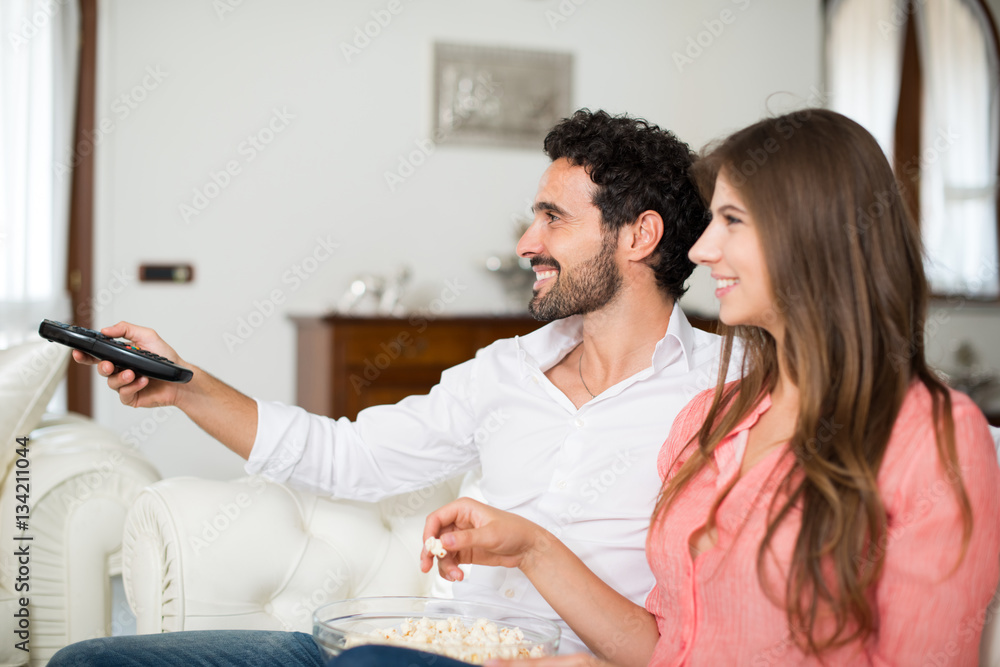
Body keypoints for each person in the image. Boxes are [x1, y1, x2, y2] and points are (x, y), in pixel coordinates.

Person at [50, 109, 730, 666]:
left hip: (555, 660)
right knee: (88, 662)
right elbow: (348, 457)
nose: (527, 242)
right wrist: (185, 386)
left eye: (553, 217)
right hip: (422, 646)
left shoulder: (728, 393)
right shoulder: (504, 371)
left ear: (640, 235)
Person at [418, 108, 1000, 666]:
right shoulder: (709, 419)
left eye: (734, 221)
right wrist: (531, 548)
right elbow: (673, 648)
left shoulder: (935, 438)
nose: (699, 250)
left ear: (816, 235)